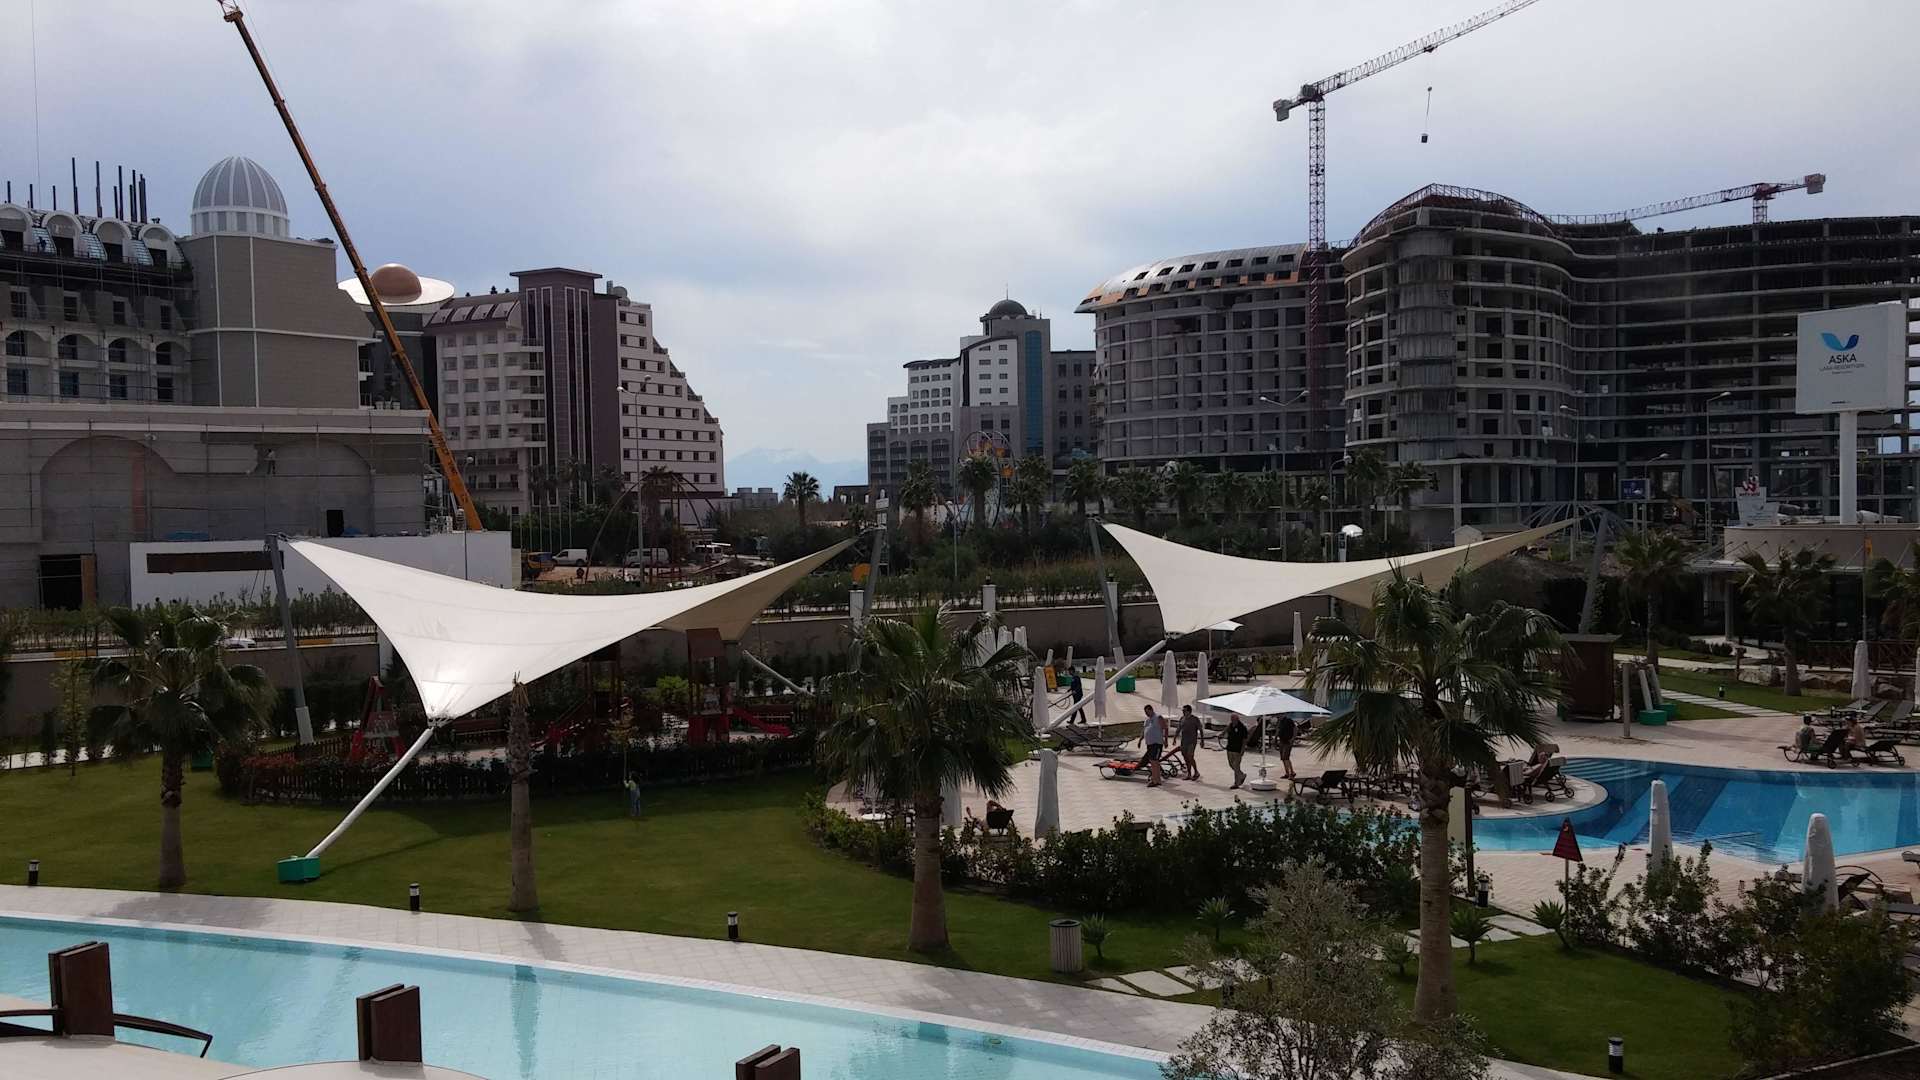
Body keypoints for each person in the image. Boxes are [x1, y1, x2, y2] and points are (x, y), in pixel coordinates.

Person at [1141, 704, 1166, 787]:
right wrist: (1140, 740)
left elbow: (1165, 728)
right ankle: (1157, 780)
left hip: (1157, 743)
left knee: (1154, 761)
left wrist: (1165, 740)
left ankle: (1154, 780)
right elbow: (1144, 730)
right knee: (1154, 762)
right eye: (1145, 712)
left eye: (1147, 712)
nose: (1146, 714)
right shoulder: (1147, 720)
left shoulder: (1158, 717)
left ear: (1151, 710)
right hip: (1149, 744)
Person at [1177, 704, 1203, 782]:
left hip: (1192, 741)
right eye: (1182, 711)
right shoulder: (1182, 718)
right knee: (1185, 757)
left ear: (1189, 711)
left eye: (1184, 711)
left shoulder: (1195, 719)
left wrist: (1202, 740)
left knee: (1190, 756)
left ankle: (1196, 772)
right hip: (1184, 741)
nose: (1183, 712)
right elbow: (1179, 728)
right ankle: (1189, 773)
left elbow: (1200, 729)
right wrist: (1175, 738)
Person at [1225, 714, 1249, 789]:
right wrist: (1221, 734)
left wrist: (1243, 750)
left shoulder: (1242, 727)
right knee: (1231, 764)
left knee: (1236, 766)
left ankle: (1236, 783)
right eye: (1231, 719)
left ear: (1237, 719)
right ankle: (1241, 775)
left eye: (1233, 719)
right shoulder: (1230, 725)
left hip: (1237, 749)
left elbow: (1245, 740)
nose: (1232, 720)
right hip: (1230, 748)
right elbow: (1226, 730)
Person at [1275, 711, 1298, 780]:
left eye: (1280, 714)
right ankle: (1288, 773)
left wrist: (1293, 738)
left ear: (1283, 714)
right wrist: (1275, 738)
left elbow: (1295, 729)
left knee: (1286, 758)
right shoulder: (1280, 721)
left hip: (1288, 741)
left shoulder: (1288, 720)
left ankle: (1291, 773)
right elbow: (1278, 730)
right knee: (1283, 758)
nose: (1278, 716)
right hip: (1282, 741)